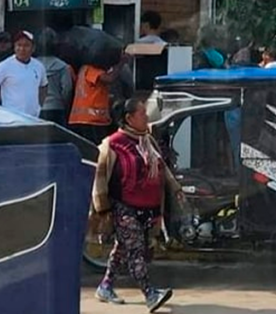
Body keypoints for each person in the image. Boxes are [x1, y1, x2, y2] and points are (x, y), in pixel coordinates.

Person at [92, 97, 182, 311]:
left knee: (123, 248)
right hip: (123, 206)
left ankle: (105, 286)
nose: (146, 117)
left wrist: (175, 188)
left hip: (148, 207)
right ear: (129, 118)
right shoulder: (112, 144)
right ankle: (150, 293)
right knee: (136, 251)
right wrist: (102, 209)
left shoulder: (147, 141)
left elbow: (161, 167)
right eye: (142, 113)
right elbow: (100, 177)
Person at [0, 30, 47, 117]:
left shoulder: (39, 66)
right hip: (11, 117)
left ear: (33, 48)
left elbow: (44, 86)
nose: (22, 49)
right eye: (19, 45)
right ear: (14, 47)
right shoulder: (5, 65)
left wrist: (39, 106)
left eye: (26, 45)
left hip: (33, 117)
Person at [36, 29, 75, 127]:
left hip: (37, 109)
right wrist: (64, 105)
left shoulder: (32, 66)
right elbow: (67, 89)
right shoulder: (63, 66)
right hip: (57, 108)